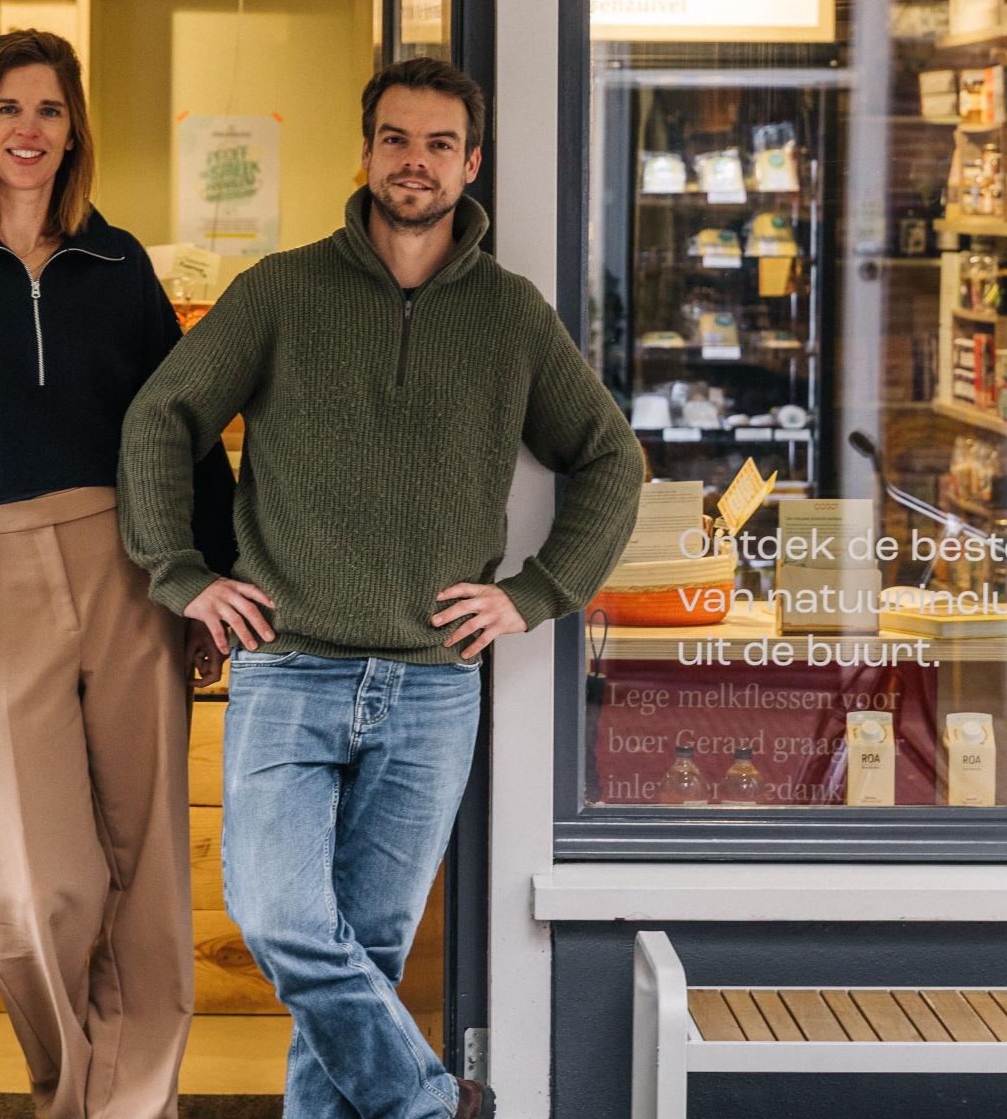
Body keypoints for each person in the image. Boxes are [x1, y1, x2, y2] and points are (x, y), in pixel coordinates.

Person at [117, 58, 644, 1119]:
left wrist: (535, 594)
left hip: (435, 683)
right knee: (279, 921)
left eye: (439, 143)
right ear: (366, 155)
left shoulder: (511, 316)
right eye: (397, 140)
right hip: (290, 666)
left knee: (368, 952)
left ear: (471, 163)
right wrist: (181, 576)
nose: (416, 161)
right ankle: (427, 1103)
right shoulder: (281, 292)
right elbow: (158, 420)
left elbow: (610, 461)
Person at [0, 29, 236, 1119]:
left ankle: (129, 1104)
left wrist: (204, 583)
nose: (29, 130)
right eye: (8, 108)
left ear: (75, 130)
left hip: (123, 560)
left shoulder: (117, 264)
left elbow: (181, 425)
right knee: (40, 886)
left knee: (151, 865)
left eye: (50, 111)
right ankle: (70, 1088)